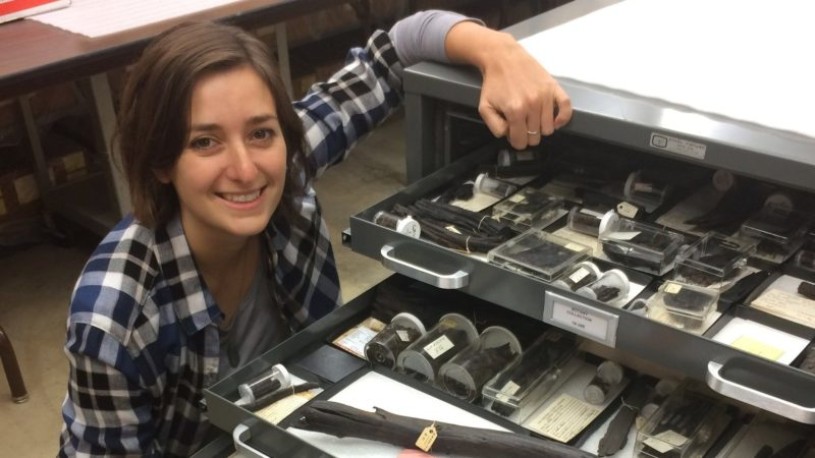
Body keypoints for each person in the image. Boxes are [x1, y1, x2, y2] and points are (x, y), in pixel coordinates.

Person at [57, 9, 572, 457]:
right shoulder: (115, 316)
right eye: (205, 142)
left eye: (261, 132)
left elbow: (395, 51)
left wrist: (498, 50)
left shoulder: (284, 170)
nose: (245, 169)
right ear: (160, 160)